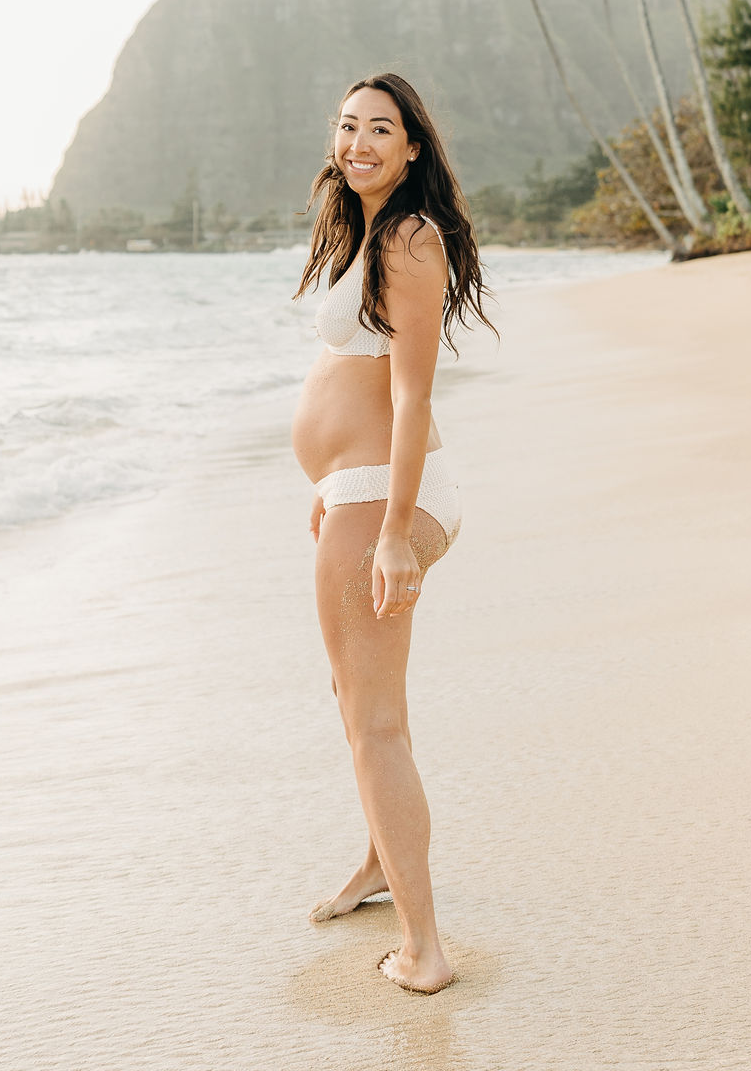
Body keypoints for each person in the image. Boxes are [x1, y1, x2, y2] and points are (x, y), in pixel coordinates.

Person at [292, 71, 494, 996]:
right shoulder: (365, 232)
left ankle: (425, 949)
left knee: (376, 725)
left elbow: (412, 395)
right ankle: (381, 862)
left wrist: (392, 532)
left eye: (382, 129)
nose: (360, 143)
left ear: (413, 147)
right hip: (360, 491)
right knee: (354, 694)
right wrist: (333, 488)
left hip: (388, 498)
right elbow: (355, 375)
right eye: (347, 126)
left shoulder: (410, 238)